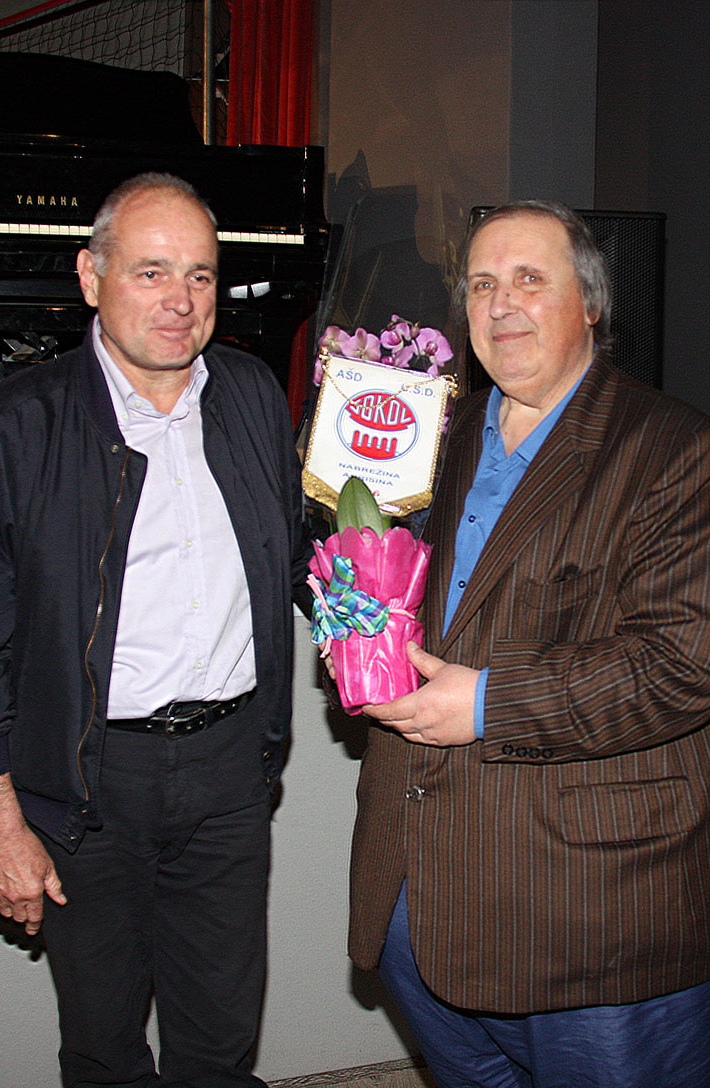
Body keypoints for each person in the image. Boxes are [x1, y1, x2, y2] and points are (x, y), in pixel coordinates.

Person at [347, 201, 710, 1087]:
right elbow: (384, 586)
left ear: (591, 303)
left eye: (529, 279)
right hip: (413, 890)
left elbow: (681, 663)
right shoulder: (433, 431)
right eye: (481, 284)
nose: (501, 303)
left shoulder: (675, 449)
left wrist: (484, 702)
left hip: (587, 919)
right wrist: (352, 632)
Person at [0, 172, 309, 1088]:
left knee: (220, 1043)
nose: (180, 301)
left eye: (201, 276)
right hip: (91, 780)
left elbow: (294, 557)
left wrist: (382, 592)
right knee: (103, 1047)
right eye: (152, 271)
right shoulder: (16, 427)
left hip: (230, 771)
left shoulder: (250, 393)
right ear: (91, 277)